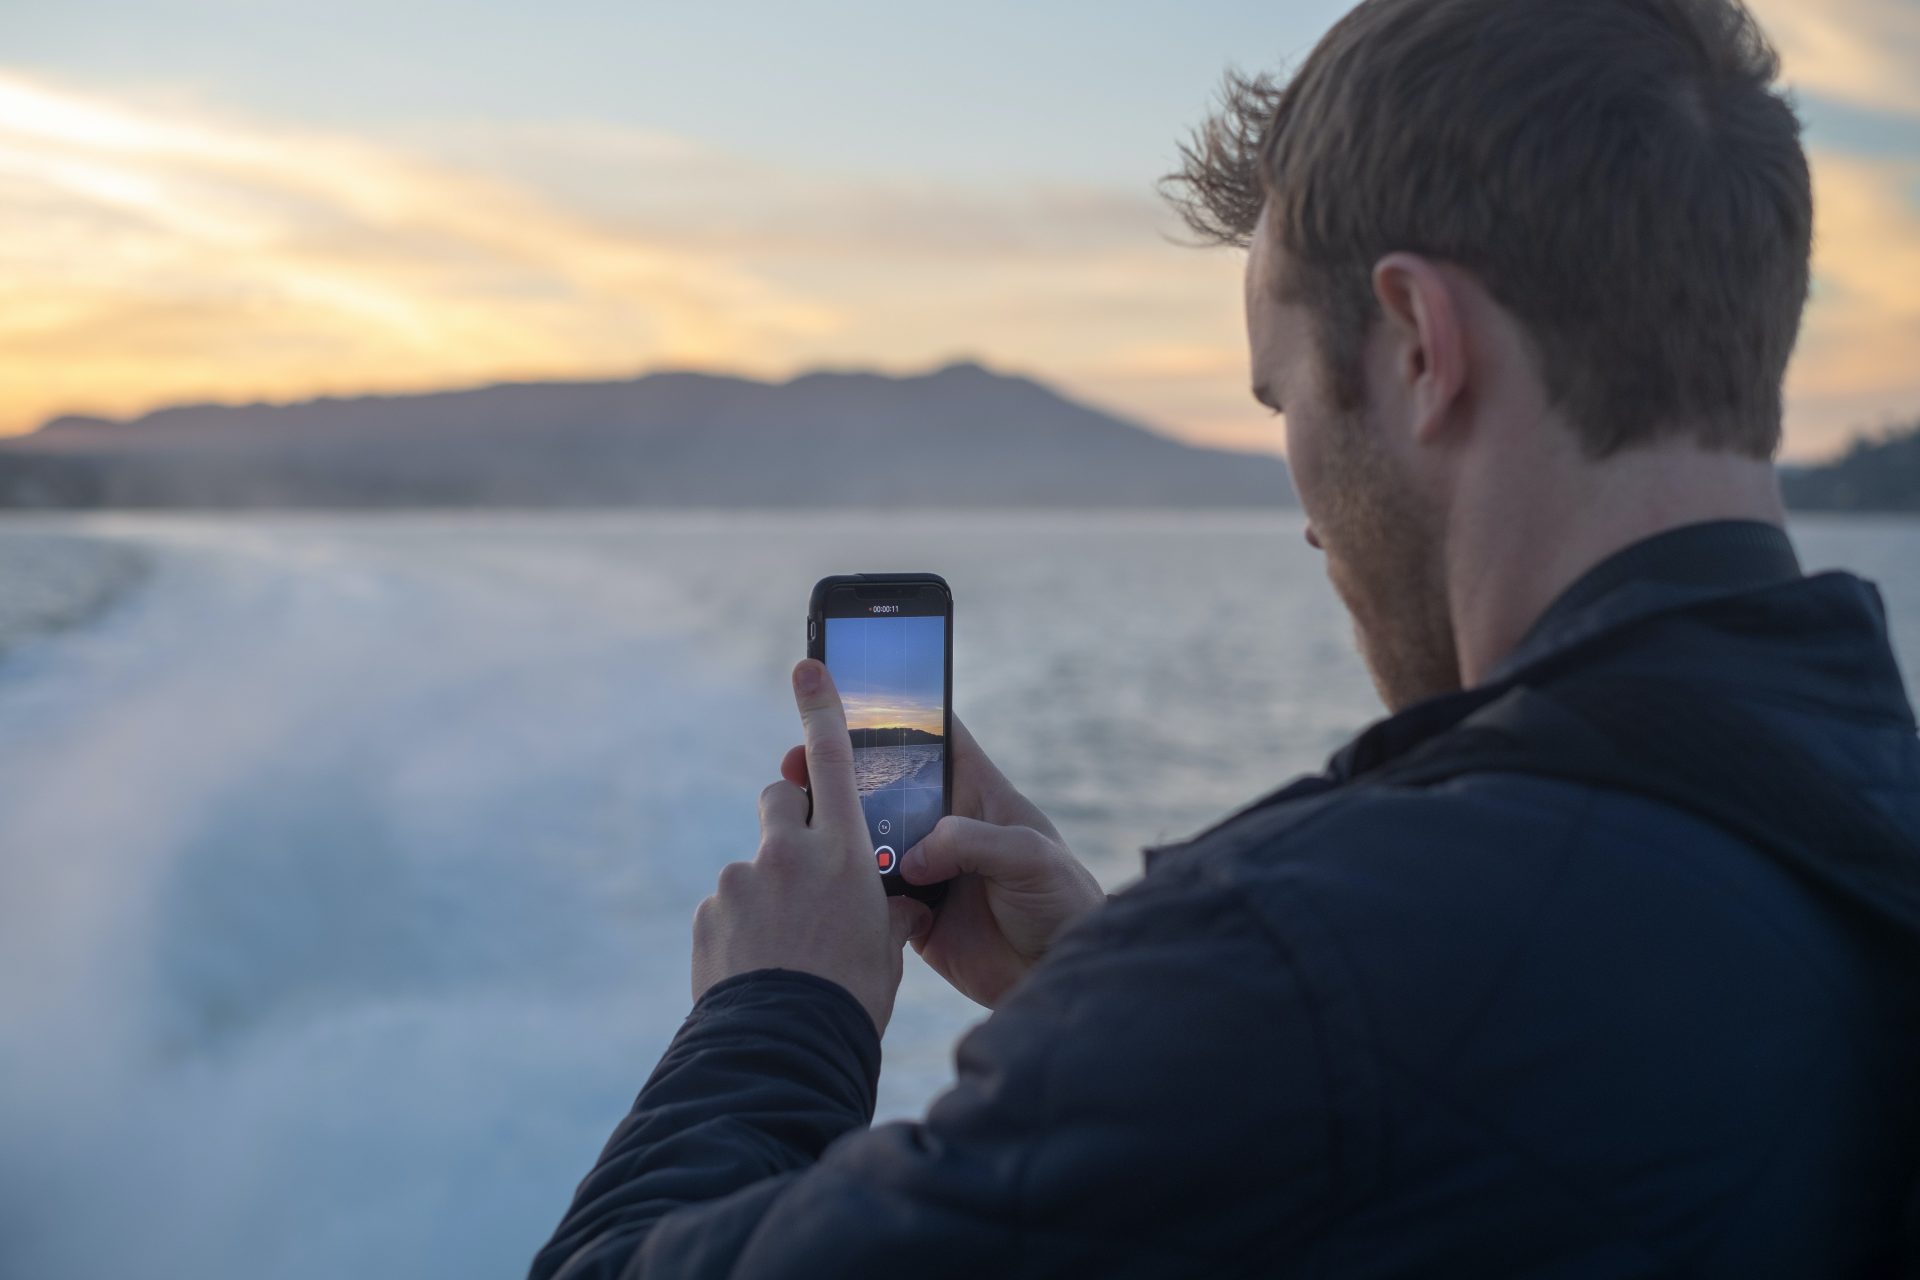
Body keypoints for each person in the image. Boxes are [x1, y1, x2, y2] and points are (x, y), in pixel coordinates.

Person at [529, 0, 1920, 1272]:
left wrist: (778, 1014)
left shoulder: (1313, 965)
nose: (1306, 517)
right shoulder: (1850, 830)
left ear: (1422, 344)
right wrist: (1108, 1005)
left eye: (1282, 405)